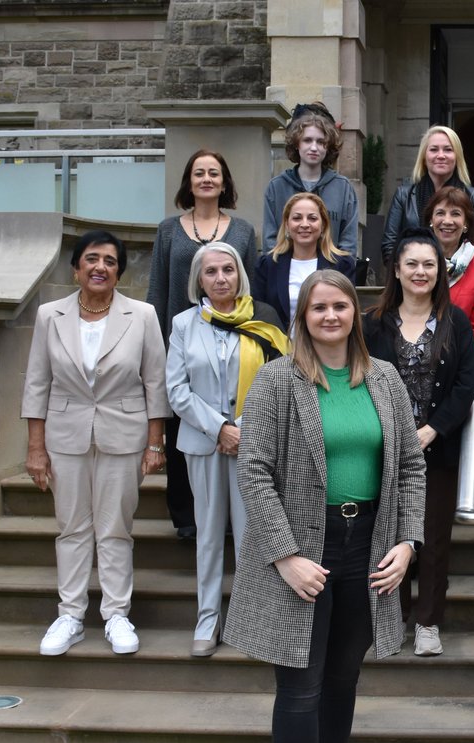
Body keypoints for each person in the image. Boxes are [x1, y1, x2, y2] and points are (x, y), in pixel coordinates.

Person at [222, 269, 424, 743]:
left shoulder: (383, 379)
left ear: (355, 315)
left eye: (341, 306)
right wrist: (285, 556)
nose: (331, 316)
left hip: (368, 550)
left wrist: (408, 542)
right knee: (301, 685)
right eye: (319, 308)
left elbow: (411, 466)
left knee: (343, 678)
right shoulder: (281, 380)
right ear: (303, 317)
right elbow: (253, 472)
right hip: (304, 549)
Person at [22, 230, 171, 657]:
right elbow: (36, 382)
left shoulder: (141, 315)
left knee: (115, 528)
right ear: (76, 268)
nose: (100, 266)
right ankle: (69, 615)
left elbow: (154, 382)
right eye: (91, 259)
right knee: (71, 526)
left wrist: (155, 443)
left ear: (119, 271)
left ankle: (116, 614)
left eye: (109, 260)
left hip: (124, 434)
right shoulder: (50, 315)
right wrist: (35, 447)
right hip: (65, 435)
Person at [165, 242, 290, 657]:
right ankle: (207, 619)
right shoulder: (184, 324)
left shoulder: (264, 318)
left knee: (254, 533)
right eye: (211, 272)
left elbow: (279, 382)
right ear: (198, 279)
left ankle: (251, 618)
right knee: (209, 534)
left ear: (240, 274)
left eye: (228, 270)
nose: (220, 279)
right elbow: (176, 390)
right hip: (203, 445)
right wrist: (220, 428)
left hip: (255, 444)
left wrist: (246, 430)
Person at [364, 228, 474, 657]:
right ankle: (391, 619)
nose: (420, 271)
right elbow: (357, 380)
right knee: (387, 535)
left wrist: (433, 429)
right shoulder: (373, 324)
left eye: (429, 264)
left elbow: (467, 384)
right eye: (411, 263)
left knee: (432, 539)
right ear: (396, 269)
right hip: (381, 450)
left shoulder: (456, 322)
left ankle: (428, 622)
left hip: (437, 450)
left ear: (440, 270)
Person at [147, 149, 258, 542]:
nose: (207, 179)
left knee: (232, 422)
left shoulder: (243, 231)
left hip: (233, 338)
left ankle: (233, 517)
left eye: (214, 173)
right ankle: (187, 516)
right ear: (188, 182)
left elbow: (251, 289)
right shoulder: (167, 230)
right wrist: (156, 347)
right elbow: (157, 291)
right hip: (183, 339)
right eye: (199, 173)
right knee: (186, 426)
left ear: (225, 182)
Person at [382, 125, 474, 266]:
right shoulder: (404, 195)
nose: (441, 155)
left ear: (457, 156)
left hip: (459, 281)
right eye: (433, 149)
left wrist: (450, 273)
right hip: (413, 280)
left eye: (448, 150)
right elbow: (389, 247)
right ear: (424, 157)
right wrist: (414, 272)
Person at [262, 102, 359, 255]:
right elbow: (270, 242)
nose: (314, 148)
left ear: (328, 147)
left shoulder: (343, 188)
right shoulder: (277, 187)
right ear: (296, 144)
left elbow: (348, 245)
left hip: (330, 274)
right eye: (307, 140)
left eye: (320, 142)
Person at [252, 192, 355, 328]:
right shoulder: (267, 265)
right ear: (287, 225)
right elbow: (259, 315)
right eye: (297, 218)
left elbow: (348, 313)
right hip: (280, 347)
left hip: (326, 346)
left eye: (312, 218)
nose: (305, 224)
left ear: (323, 225)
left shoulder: (342, 265)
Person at [425, 186, 474, 355]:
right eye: (440, 213)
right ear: (431, 220)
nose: (447, 221)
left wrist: (463, 364)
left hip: (458, 361)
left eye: (455, 214)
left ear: (465, 224)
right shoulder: (415, 263)